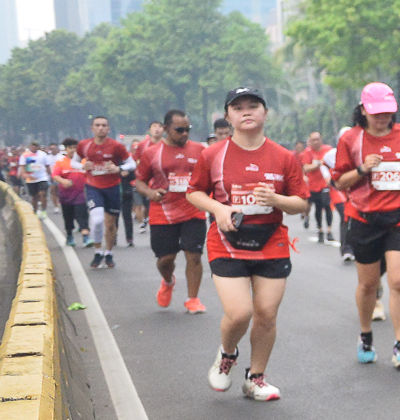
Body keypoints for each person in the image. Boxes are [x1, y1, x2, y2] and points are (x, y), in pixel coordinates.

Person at [186, 88, 308, 401]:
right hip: (227, 242)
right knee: (240, 313)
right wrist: (219, 209)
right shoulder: (213, 155)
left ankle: (256, 378)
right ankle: (227, 354)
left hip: (271, 241)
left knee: (266, 314)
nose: (246, 112)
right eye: (238, 108)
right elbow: (193, 192)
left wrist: (276, 199)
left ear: (265, 113)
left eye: (253, 106)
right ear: (228, 117)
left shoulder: (283, 157)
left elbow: (301, 203)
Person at [332, 82, 400, 368]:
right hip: (364, 218)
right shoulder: (351, 139)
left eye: (387, 112)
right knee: (368, 284)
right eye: (376, 113)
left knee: (398, 281)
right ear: (363, 110)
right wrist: (363, 169)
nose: (383, 118)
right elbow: (339, 182)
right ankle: (365, 335)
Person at [134, 109, 209, 313]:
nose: (185, 134)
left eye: (187, 129)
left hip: (193, 210)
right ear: (166, 129)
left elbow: (209, 177)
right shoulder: (152, 153)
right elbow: (139, 181)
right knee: (165, 260)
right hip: (163, 212)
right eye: (179, 130)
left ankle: (193, 299)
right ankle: (168, 281)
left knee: (194, 255)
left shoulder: (200, 150)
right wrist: (150, 192)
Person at [77, 116, 132, 268]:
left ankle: (108, 253)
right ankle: (97, 252)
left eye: (104, 125)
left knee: (111, 224)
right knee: (97, 220)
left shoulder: (116, 146)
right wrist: (82, 166)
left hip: (112, 187)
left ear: (108, 129)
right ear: (92, 128)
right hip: (93, 187)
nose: (100, 128)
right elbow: (74, 161)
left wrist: (118, 168)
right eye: (97, 125)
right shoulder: (84, 145)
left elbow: (131, 163)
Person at [299, 132, 335, 244]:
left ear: (321, 140)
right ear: (310, 141)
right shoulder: (308, 152)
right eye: (313, 140)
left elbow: (334, 162)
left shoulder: (328, 149)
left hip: (325, 184)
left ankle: (329, 230)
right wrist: (317, 164)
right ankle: (320, 230)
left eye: (317, 139)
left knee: (327, 205)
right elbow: (306, 167)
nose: (316, 142)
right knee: (317, 208)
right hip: (313, 186)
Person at [52, 140, 88, 245]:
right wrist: (63, 181)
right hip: (66, 195)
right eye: (70, 148)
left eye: (75, 148)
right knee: (68, 217)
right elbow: (55, 175)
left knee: (82, 215)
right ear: (66, 149)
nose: (73, 150)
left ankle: (86, 236)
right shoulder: (61, 162)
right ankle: (69, 236)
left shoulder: (83, 162)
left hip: (81, 194)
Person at [20, 140, 53, 213]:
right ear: (30, 146)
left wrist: (51, 176)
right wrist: (24, 174)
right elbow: (22, 166)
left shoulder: (43, 154)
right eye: (33, 146)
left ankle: (43, 211)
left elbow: (47, 166)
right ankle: (35, 211)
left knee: (42, 194)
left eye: (36, 146)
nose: (34, 147)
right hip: (31, 179)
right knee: (34, 196)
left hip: (42, 177)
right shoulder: (25, 155)